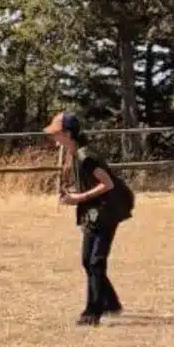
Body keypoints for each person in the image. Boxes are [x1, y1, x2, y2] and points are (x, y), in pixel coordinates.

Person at [45, 111, 135, 326]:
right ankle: (111, 303)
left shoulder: (86, 157)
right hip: (93, 211)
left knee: (96, 261)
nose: (53, 138)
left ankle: (93, 311)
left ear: (67, 134)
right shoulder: (74, 154)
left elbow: (107, 184)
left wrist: (78, 198)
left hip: (107, 210)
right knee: (88, 261)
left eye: (56, 134)